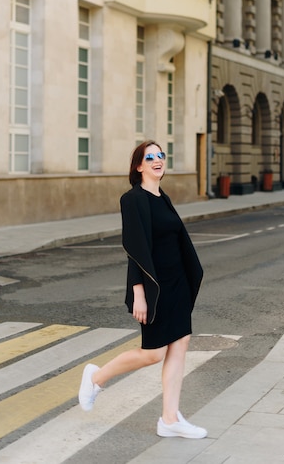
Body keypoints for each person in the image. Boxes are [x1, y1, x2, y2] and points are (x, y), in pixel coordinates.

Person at [78, 140, 207, 439]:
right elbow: (135, 249)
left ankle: (170, 418)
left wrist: (188, 281)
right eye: (150, 157)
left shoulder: (163, 198)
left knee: (180, 344)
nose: (157, 160)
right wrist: (139, 292)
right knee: (153, 353)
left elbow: (176, 242)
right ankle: (95, 377)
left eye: (161, 155)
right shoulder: (133, 200)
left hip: (178, 284)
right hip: (156, 287)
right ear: (139, 166)